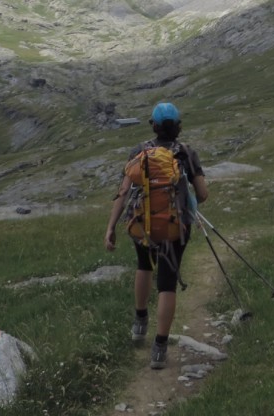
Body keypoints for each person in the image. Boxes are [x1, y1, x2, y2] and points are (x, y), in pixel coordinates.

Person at [104, 101, 209, 369]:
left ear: (153, 125)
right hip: (176, 227)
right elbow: (203, 194)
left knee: (143, 266)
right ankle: (160, 349)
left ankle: (140, 322)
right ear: (178, 127)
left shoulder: (140, 151)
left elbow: (124, 192)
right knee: (167, 282)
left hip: (142, 225)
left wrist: (111, 227)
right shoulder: (186, 152)